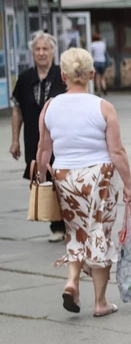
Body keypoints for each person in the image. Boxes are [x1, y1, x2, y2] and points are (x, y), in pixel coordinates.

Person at [35, 48, 131, 317]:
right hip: (99, 177)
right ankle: (100, 303)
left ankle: (72, 280)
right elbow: (117, 151)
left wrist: (42, 179)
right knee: (99, 233)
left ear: (63, 76)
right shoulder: (103, 107)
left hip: (64, 176)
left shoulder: (50, 106)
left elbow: (44, 149)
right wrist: (128, 184)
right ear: (91, 74)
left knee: (75, 231)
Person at [9, 31, 67, 242]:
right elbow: (17, 110)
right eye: (37, 49)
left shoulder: (62, 75)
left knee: (63, 181)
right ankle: (56, 225)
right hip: (34, 140)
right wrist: (15, 140)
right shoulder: (25, 78)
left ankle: (69, 222)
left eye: (45, 49)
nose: (41, 53)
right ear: (32, 52)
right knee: (44, 182)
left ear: (53, 51)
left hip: (61, 140)